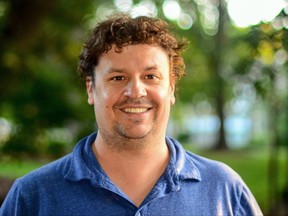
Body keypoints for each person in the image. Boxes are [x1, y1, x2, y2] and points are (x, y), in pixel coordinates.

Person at [0, 13, 263, 216]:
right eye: (117, 77)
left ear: (171, 88)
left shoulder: (223, 189)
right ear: (91, 89)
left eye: (151, 76)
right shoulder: (33, 196)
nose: (135, 91)